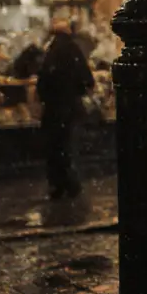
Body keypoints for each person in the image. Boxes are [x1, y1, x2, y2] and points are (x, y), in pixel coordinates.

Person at [36, 18, 94, 199]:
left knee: (54, 148)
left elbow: (42, 83)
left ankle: (57, 185)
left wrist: (47, 99)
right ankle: (72, 185)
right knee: (68, 147)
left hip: (53, 109)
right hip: (70, 107)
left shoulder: (50, 52)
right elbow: (87, 80)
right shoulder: (74, 50)